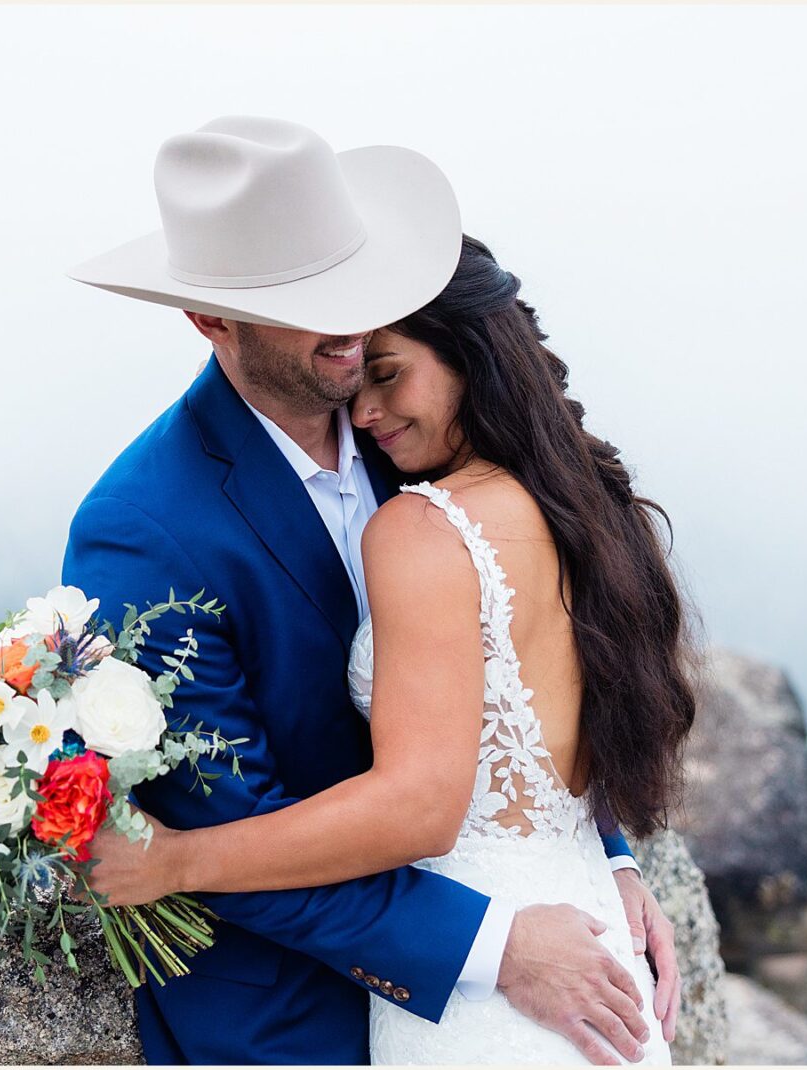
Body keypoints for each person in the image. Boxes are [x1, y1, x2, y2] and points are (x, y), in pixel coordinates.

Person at [62, 115, 689, 1065]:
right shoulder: (146, 530)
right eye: (308, 298)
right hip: (295, 1012)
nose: (354, 321)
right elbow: (214, 830)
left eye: (349, 276)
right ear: (211, 319)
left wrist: (601, 856)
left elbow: (524, 674)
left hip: (542, 940)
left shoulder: (418, 428)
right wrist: (494, 948)